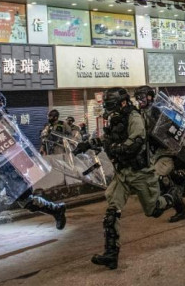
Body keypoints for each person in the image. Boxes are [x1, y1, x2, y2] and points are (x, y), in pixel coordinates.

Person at [73, 87, 177, 270]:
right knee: (111, 212)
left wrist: (116, 148)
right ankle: (111, 254)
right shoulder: (116, 117)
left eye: (110, 102)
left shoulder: (134, 117)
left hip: (140, 173)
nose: (107, 106)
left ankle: (173, 197)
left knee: (153, 210)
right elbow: (109, 138)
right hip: (122, 174)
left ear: (122, 102)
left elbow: (136, 142)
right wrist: (88, 144)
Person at [0, 92, 66, 255]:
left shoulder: (7, 120)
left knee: (28, 203)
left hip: (13, 169)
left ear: (0, 104)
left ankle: (56, 210)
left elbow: (14, 141)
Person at [134, 85, 185, 223]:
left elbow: (169, 130)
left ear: (150, 97)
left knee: (160, 180)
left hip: (166, 151)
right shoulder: (141, 113)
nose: (140, 100)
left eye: (142, 97)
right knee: (163, 182)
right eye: (138, 98)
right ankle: (180, 185)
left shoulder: (159, 111)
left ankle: (178, 205)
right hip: (153, 153)